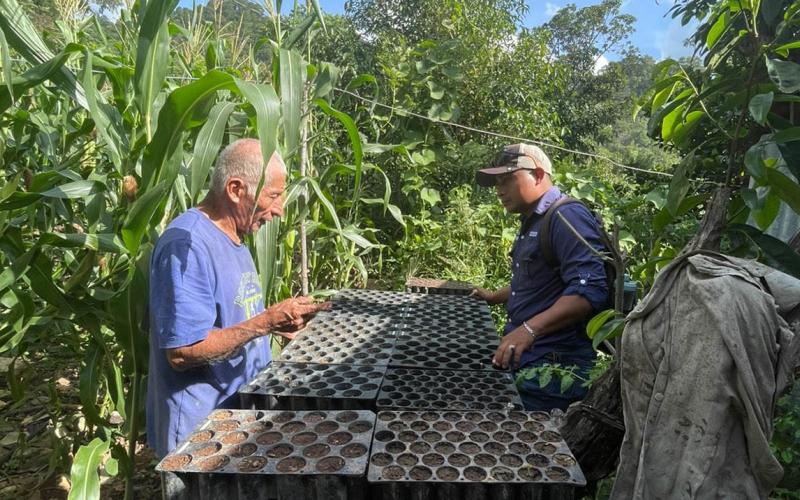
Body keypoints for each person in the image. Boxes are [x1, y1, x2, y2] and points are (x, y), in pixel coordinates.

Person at [146, 139, 328, 457]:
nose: (279, 210)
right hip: (198, 436)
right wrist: (264, 323)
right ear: (235, 189)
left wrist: (276, 326)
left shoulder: (234, 237)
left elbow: (233, 320)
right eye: (273, 196)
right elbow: (182, 351)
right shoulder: (186, 245)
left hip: (234, 419)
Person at [472, 143, 608, 411]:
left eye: (508, 179)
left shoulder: (566, 216)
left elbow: (588, 290)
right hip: (530, 360)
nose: (499, 190)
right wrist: (493, 296)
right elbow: (535, 282)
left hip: (554, 368)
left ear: (537, 174)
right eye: (497, 182)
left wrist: (529, 329)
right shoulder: (534, 220)